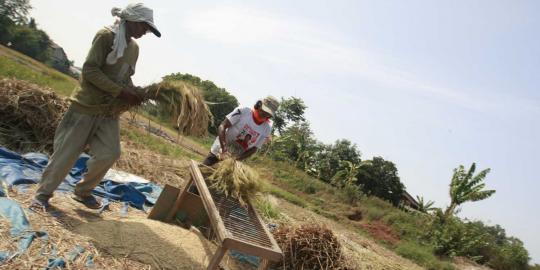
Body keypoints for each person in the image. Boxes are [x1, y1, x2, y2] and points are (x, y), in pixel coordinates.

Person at [30, 3, 161, 210]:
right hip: (86, 106)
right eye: (145, 27)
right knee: (67, 154)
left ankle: (82, 191)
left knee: (110, 152)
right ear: (133, 20)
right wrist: (120, 92)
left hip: (108, 112)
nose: (146, 32)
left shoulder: (133, 49)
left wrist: (136, 93)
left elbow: (126, 78)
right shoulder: (106, 36)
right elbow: (90, 70)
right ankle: (43, 194)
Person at [202, 96, 280, 166]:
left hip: (233, 162)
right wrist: (224, 150)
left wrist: (236, 159)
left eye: (268, 113)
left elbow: (254, 149)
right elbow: (222, 126)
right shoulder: (244, 111)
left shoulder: (267, 128)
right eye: (264, 110)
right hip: (219, 151)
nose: (265, 114)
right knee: (201, 174)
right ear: (259, 105)